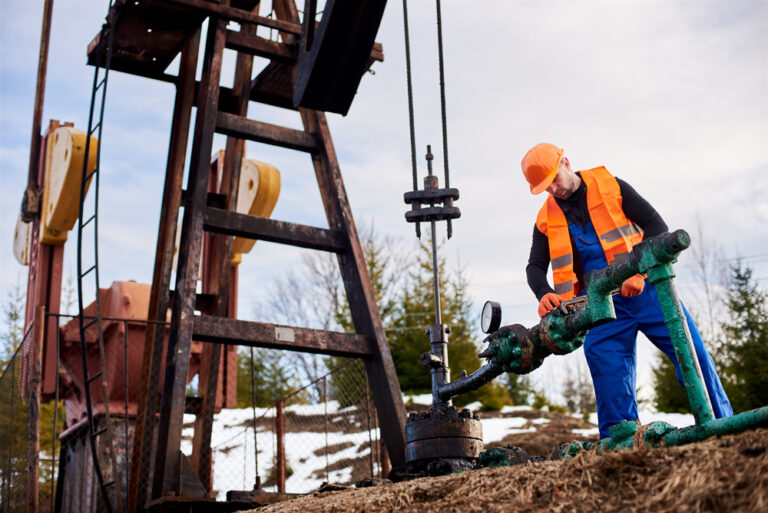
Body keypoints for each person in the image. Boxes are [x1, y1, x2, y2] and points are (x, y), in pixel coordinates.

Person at [521, 142, 732, 438]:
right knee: (608, 373)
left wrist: (639, 270)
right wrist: (543, 292)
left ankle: (724, 428)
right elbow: (534, 266)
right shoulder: (545, 218)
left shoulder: (612, 186)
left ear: (566, 163)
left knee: (692, 354)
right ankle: (620, 446)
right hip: (600, 307)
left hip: (648, 292)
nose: (553, 190)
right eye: (545, 187)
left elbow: (656, 225)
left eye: (554, 179)